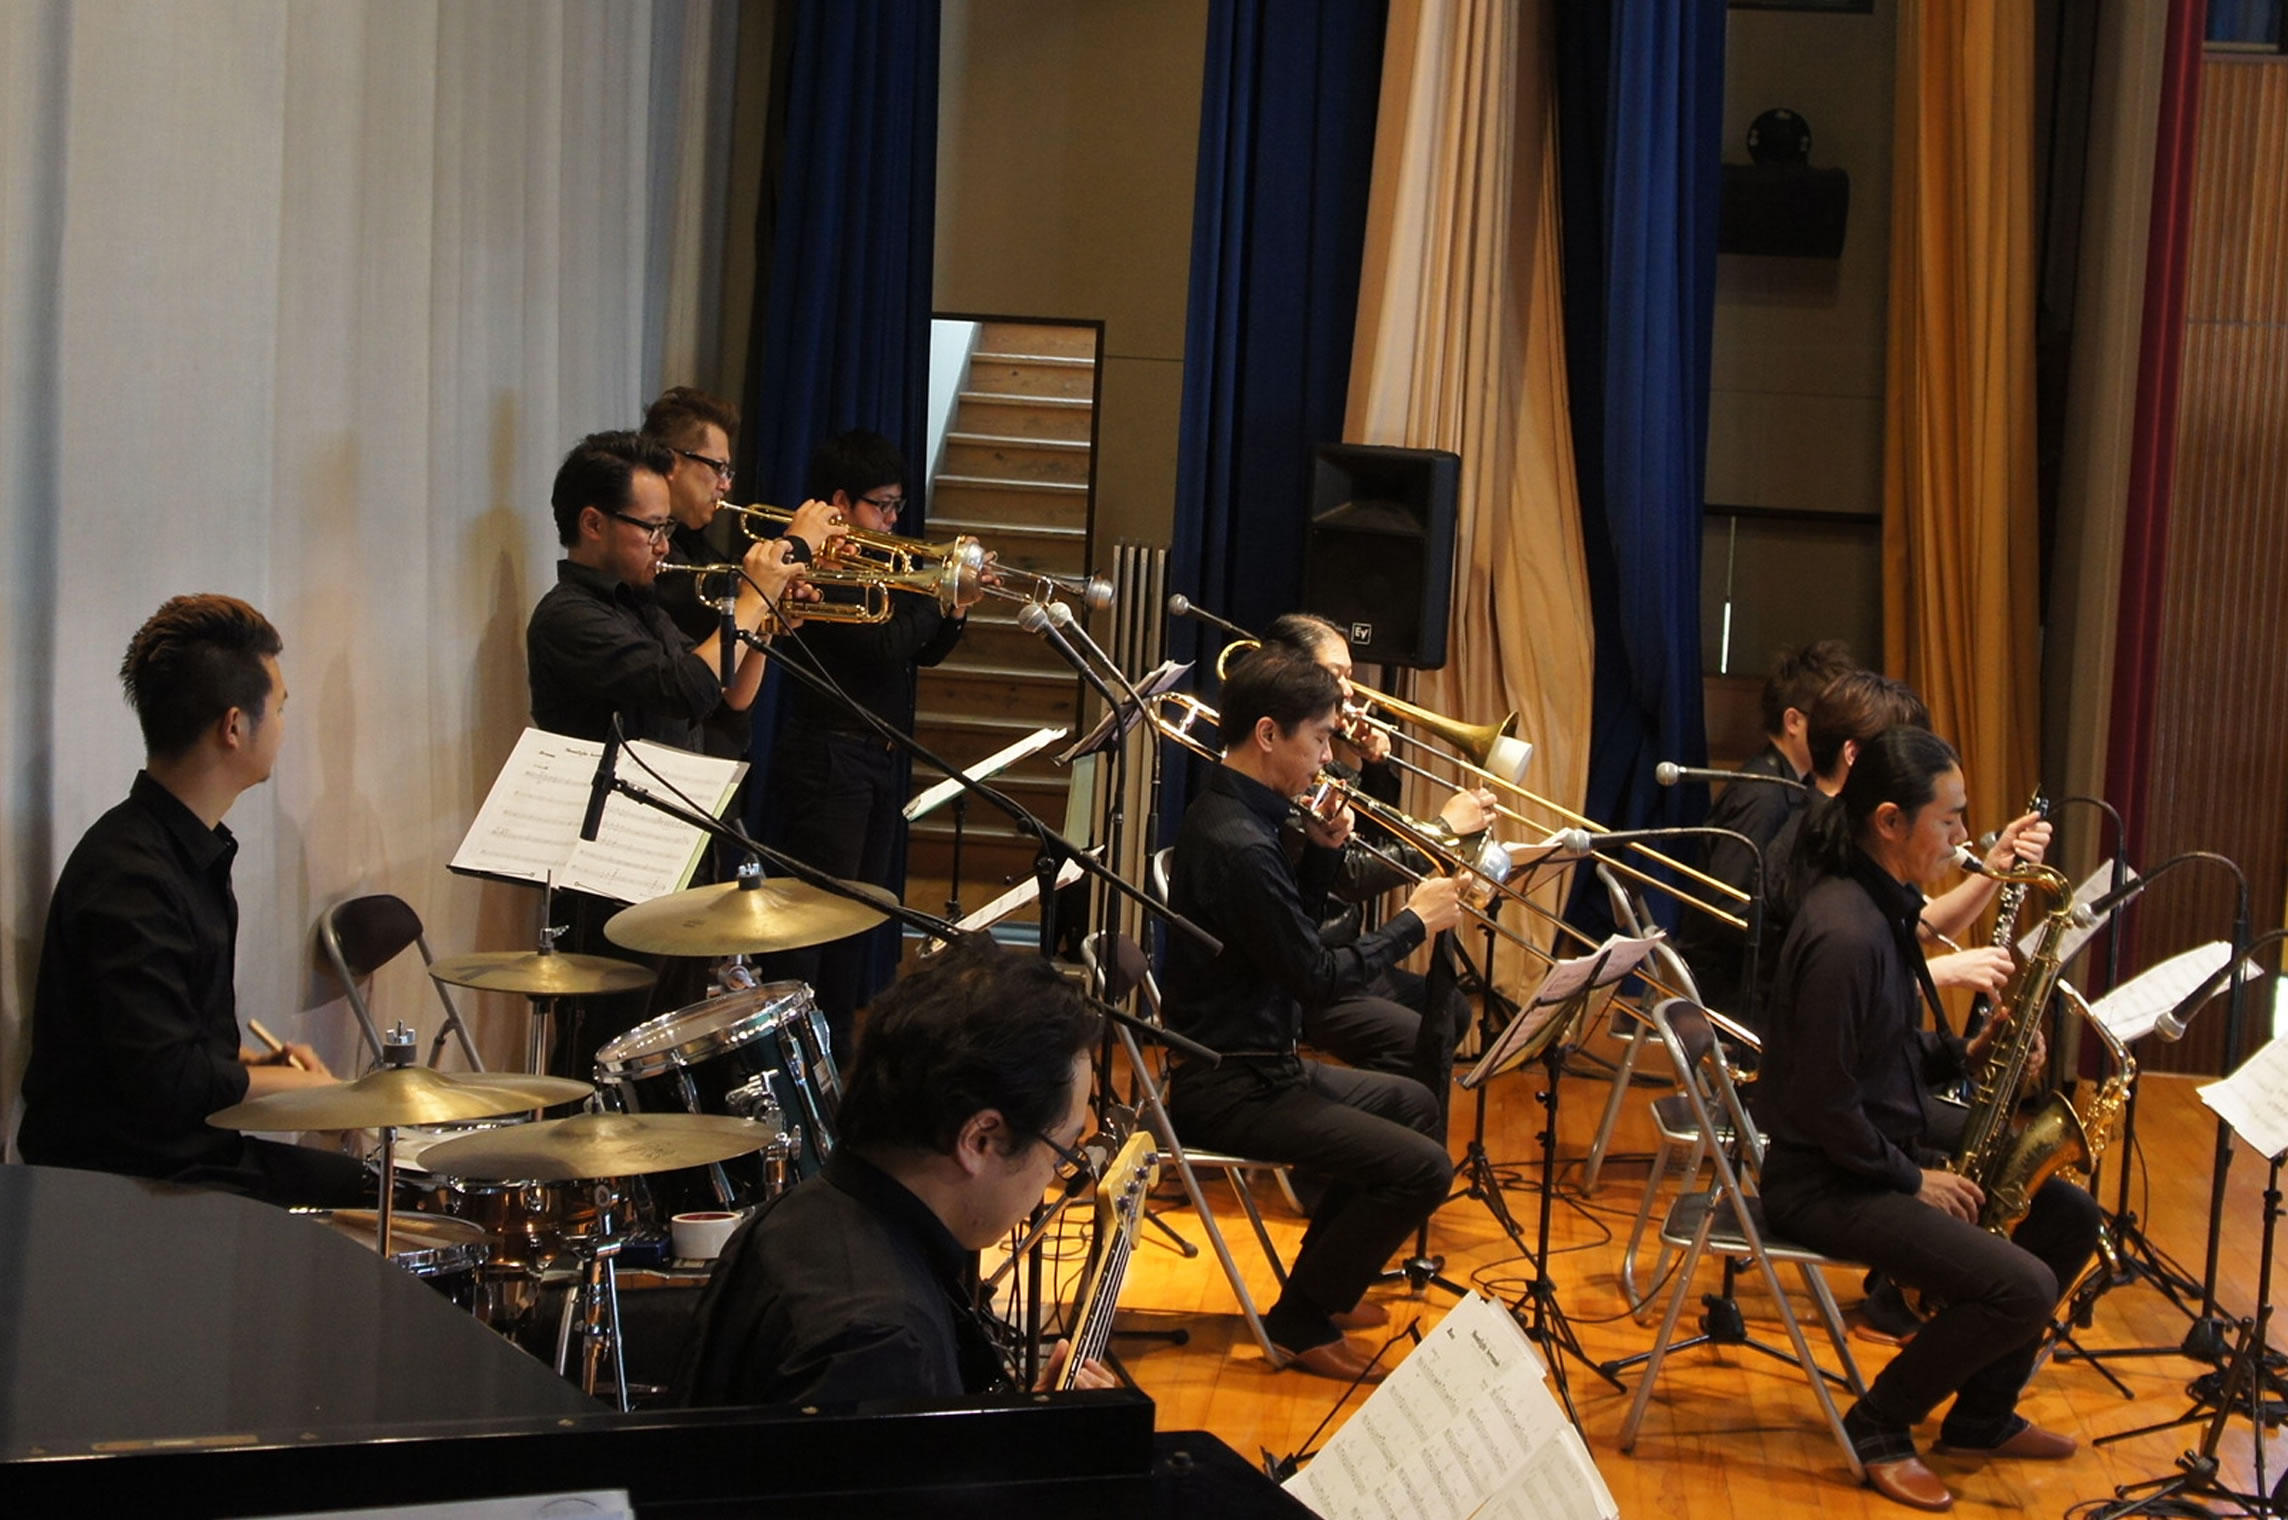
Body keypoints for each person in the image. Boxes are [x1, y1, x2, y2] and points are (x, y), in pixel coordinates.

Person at [1757, 725, 2099, 1511]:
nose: (1961, 838)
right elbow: (1821, 1103)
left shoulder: (1882, 908)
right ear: (1889, 821)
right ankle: (1880, 1422)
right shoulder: (1845, 935)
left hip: (1869, 1146)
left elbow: (1882, 1051)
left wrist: (1967, 1055)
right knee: (2020, 1287)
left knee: (2069, 1217)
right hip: (1823, 1179)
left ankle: (1981, 1419)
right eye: (1948, 820)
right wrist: (1914, 1180)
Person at [1158, 646, 1463, 1381]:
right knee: (1425, 1169)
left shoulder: (1244, 816)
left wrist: (1324, 853)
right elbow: (1317, 979)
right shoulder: (1238, 842)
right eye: (1321, 739)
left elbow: (1289, 934)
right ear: (1269, 734)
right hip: (1232, 1087)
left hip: (1262, 1065)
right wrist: (1415, 923)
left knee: (1417, 1105)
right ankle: (1300, 1319)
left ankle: (1320, 1283)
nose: (1329, 756)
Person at [16, 595, 365, 1208]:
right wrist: (298, 1088)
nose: (283, 727)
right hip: (128, 1185)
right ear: (234, 727)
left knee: (375, 1186)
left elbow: (160, 1046)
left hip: (180, 1153)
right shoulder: (130, 876)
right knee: (378, 1200)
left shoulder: (183, 851)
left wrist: (255, 1064)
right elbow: (163, 1082)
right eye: (280, 709)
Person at [677, 935, 1115, 1407]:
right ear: (979, 1140)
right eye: (1061, 1150)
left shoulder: (798, 1213)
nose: (1055, 1176)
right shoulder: (878, 1347)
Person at [524, 430, 813, 1075]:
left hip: (671, 867)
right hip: (605, 885)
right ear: (593, 523)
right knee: (604, 1062)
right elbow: (687, 686)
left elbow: (727, 698)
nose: (663, 545)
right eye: (652, 528)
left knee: (667, 1060)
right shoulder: (568, 617)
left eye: (666, 529)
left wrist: (767, 624)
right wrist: (751, 598)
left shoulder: (641, 608)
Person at [759, 429, 984, 1059]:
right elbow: (885, 644)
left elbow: (922, 655)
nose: (891, 520)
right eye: (880, 506)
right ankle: (804, 1062)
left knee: (858, 922)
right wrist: (937, 586)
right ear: (840, 502)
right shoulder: (816, 571)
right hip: (828, 759)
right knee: (814, 928)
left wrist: (955, 605)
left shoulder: (880, 569)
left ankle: (840, 1059)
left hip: (877, 759)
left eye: (896, 506)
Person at [1255, 612, 1488, 1085]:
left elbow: (1372, 837)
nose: (1350, 690)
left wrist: (1373, 767)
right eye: (1337, 674)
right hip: (1305, 969)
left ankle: (1388, 1116)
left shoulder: (1324, 763)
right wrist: (1444, 832)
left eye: (1350, 675)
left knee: (1453, 1010)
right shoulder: (1281, 769)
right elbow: (1350, 875)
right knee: (1426, 1038)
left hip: (1338, 950)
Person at [1676, 639, 1856, 1016]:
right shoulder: (1763, 796)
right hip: (1729, 992)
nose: (1842, 738)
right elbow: (1726, 908)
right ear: (1793, 721)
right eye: (1833, 723)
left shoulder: (1793, 785)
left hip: (1755, 982)